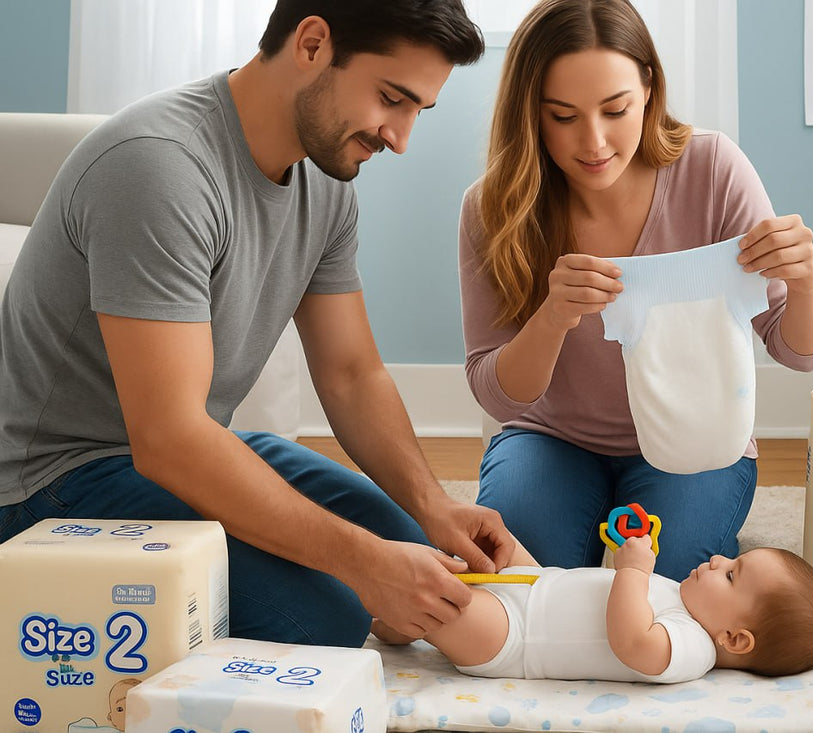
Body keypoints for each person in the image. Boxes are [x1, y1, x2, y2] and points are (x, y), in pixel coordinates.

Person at [0, 0, 515, 647]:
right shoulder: (158, 166)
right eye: (392, 98)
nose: (400, 136)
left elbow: (352, 374)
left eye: (417, 110)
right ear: (311, 44)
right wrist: (357, 564)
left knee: (419, 554)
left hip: (188, 448)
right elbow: (168, 437)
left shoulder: (326, 181)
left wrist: (435, 505)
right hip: (53, 483)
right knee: (332, 614)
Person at [459, 0, 813, 582]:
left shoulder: (712, 168)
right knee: (523, 582)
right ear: (530, 113)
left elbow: (798, 352)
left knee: (671, 588)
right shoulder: (494, 207)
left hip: (696, 439)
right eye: (562, 116)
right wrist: (553, 317)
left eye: (616, 110)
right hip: (551, 437)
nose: (594, 141)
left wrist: (806, 280)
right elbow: (500, 396)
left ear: (649, 88)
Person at [373, 536, 813, 680]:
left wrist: (632, 571)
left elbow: (633, 642)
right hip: (535, 584)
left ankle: (398, 619)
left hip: (513, 637)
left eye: (731, 574)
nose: (718, 560)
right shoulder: (687, 600)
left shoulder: (693, 648)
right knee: (486, 547)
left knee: (441, 603)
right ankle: (406, 616)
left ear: (734, 638)